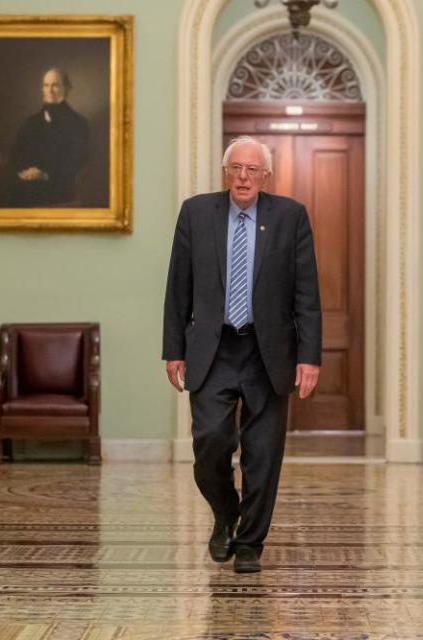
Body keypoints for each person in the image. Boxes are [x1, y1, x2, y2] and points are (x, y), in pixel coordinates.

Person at [162, 136, 322, 574]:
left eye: (252, 170)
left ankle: (250, 543)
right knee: (210, 442)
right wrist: (173, 349)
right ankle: (225, 511)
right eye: (236, 168)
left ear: (265, 176)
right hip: (212, 349)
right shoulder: (196, 213)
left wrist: (309, 357)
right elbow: (178, 285)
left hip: (268, 350)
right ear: (225, 172)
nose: (244, 177)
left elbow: (306, 292)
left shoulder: (290, 217)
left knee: (263, 453)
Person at [0, 67, 89, 207]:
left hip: (58, 185)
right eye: (46, 85)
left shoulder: (78, 123)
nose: (50, 90)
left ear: (67, 88)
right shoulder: (31, 122)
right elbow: (15, 155)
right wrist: (25, 172)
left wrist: (45, 174)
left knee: (13, 193)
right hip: (27, 180)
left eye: (55, 85)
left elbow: (77, 160)